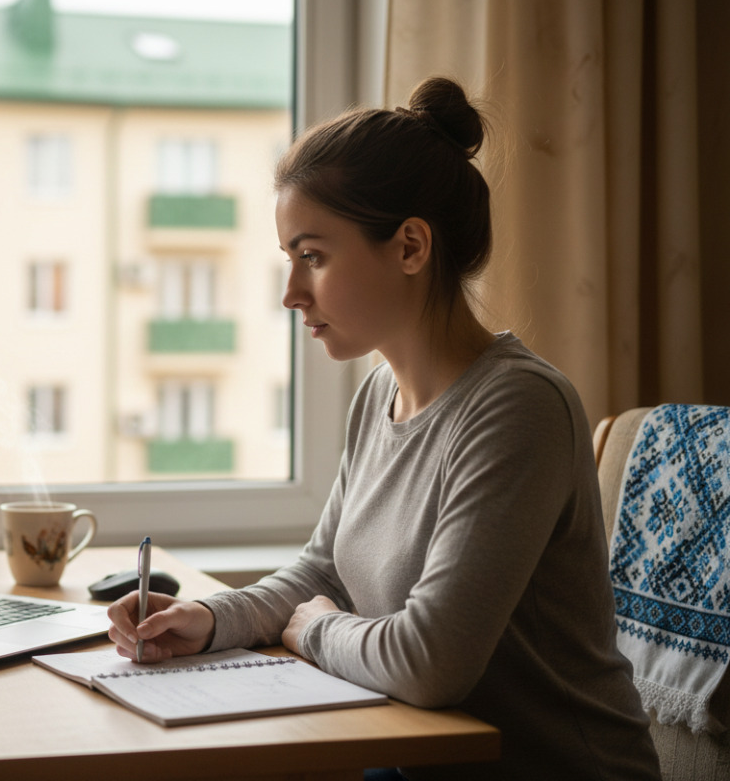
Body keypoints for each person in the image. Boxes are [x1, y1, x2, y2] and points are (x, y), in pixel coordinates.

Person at [106, 77, 661, 781]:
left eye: (313, 256)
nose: (291, 294)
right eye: (289, 260)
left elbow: (430, 664)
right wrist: (212, 620)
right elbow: (324, 569)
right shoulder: (378, 394)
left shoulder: (519, 408)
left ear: (409, 247)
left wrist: (312, 628)